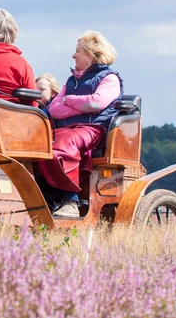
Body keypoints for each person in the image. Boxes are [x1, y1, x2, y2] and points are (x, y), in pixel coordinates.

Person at [39, 31, 123, 219]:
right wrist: (78, 107)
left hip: (94, 129)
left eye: (78, 51)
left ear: (90, 55)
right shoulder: (72, 80)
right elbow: (54, 110)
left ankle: (71, 200)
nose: (73, 55)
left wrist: (68, 100)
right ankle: (49, 197)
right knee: (37, 146)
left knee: (60, 146)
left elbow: (96, 103)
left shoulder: (110, 79)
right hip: (66, 129)